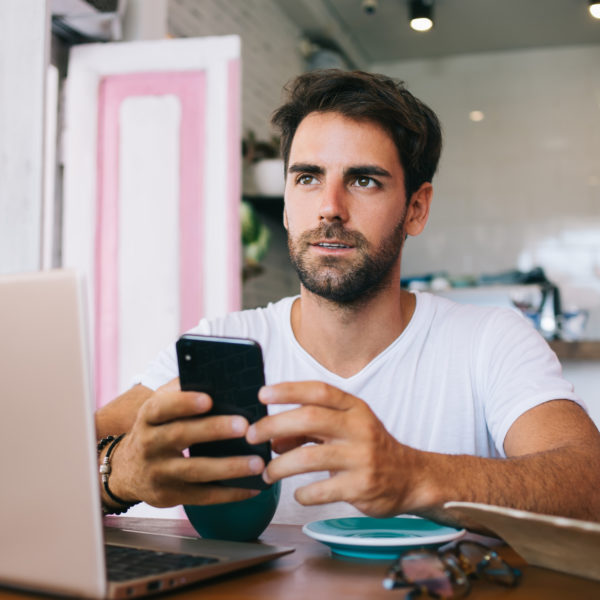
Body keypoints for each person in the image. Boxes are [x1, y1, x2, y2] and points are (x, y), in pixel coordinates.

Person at [96, 70, 600, 526]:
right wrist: (119, 474)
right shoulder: (220, 344)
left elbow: (589, 482)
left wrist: (414, 474)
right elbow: (41, 465)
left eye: (363, 180)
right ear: (289, 205)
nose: (329, 208)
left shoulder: (490, 341)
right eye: (308, 178)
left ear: (417, 209)